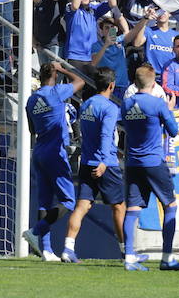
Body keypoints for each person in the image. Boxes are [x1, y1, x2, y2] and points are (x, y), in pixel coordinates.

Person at [62, 66, 130, 263]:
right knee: (118, 207)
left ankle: (68, 248)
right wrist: (102, 161)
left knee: (82, 205)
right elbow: (106, 135)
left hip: (87, 161)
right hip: (105, 163)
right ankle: (126, 251)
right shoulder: (109, 108)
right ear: (112, 85)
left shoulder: (87, 104)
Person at [121, 66, 179, 271]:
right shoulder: (158, 103)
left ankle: (129, 256)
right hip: (153, 161)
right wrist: (169, 109)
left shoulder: (126, 104)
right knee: (171, 205)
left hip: (133, 162)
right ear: (153, 82)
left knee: (132, 209)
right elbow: (174, 131)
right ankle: (167, 258)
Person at [22, 62, 87, 260]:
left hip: (39, 151)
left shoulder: (32, 100)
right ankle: (35, 231)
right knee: (68, 201)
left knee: (44, 202)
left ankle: (47, 251)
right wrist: (65, 69)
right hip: (55, 152)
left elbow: (32, 130)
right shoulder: (57, 92)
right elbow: (80, 81)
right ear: (56, 76)